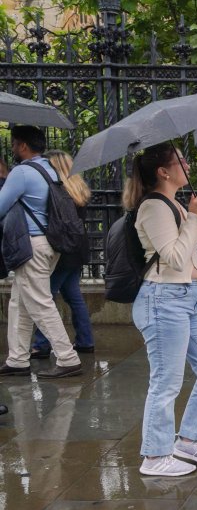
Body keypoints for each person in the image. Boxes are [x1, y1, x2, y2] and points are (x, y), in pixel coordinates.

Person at [126, 142, 197, 477]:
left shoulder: (173, 205)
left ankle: (190, 440)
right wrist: (195, 219)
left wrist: (191, 217)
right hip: (164, 300)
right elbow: (175, 257)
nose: (187, 164)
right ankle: (154, 456)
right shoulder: (153, 207)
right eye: (180, 161)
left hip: (189, 298)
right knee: (167, 381)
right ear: (163, 171)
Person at [0, 126, 83, 379]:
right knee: (19, 303)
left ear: (23, 146)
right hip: (49, 244)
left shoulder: (23, 172)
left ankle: (68, 358)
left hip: (32, 245)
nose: (13, 149)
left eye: (14, 144)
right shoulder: (51, 169)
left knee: (39, 302)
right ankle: (17, 359)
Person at [30, 150, 95, 358]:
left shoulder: (58, 190)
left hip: (62, 249)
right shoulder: (79, 188)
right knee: (73, 295)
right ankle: (85, 341)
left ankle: (41, 345)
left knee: (46, 296)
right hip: (77, 249)